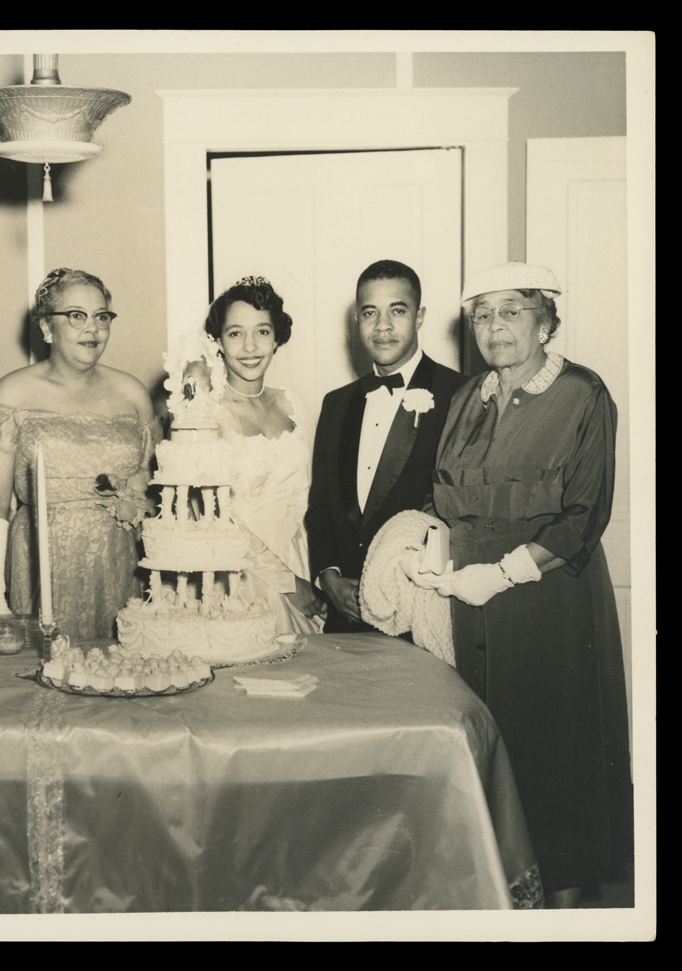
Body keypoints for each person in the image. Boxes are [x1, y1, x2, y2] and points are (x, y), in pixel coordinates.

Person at [417, 262, 633, 908]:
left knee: (553, 762)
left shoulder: (582, 394)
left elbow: (584, 514)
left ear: (544, 318)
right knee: (492, 752)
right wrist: (432, 551)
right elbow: (446, 496)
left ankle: (562, 910)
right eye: (483, 314)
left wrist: (505, 570)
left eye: (512, 310)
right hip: (472, 607)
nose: (495, 326)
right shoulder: (465, 400)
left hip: (548, 600)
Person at [0, 268, 157, 640]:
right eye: (76, 316)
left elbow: (154, 490)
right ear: (45, 327)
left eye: (101, 317)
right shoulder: (12, 393)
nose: (92, 328)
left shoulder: (134, 394)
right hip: (43, 560)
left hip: (121, 564)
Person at [304, 259, 464, 633]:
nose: (383, 327)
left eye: (398, 310)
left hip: (419, 617)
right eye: (370, 312)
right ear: (356, 320)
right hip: (345, 619)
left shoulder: (460, 395)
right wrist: (329, 578)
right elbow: (322, 506)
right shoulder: (336, 404)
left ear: (420, 316)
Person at [199, 276, 325, 634]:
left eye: (263, 332)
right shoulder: (203, 411)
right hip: (240, 571)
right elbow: (213, 519)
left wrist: (311, 576)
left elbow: (306, 498)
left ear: (277, 338)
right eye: (236, 333)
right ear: (219, 342)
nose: (250, 347)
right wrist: (287, 583)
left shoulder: (290, 401)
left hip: (301, 561)